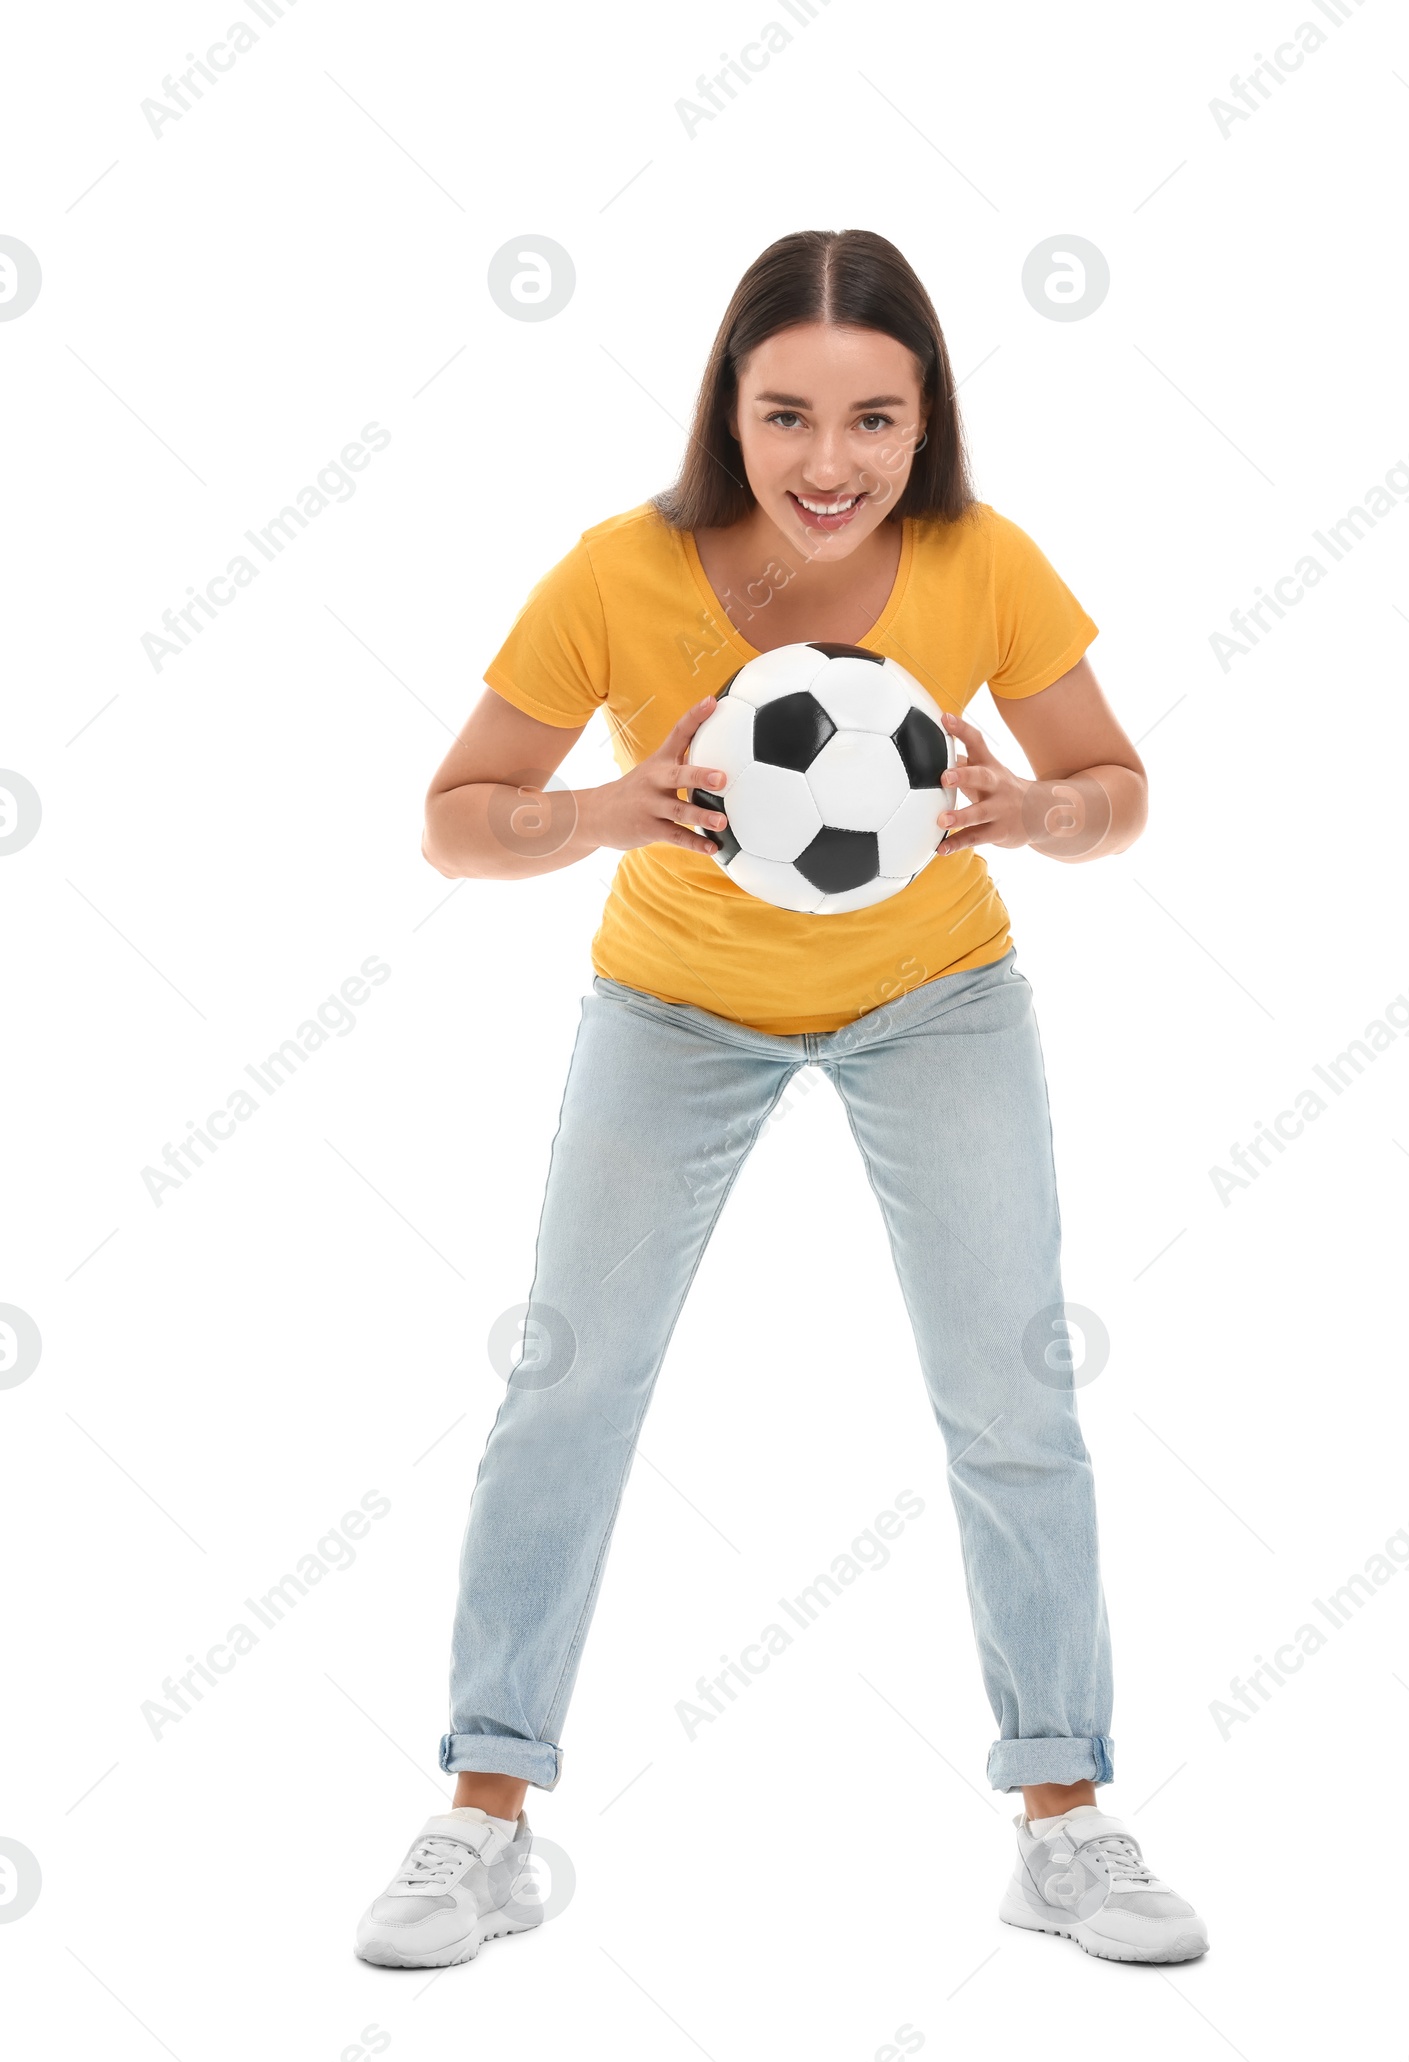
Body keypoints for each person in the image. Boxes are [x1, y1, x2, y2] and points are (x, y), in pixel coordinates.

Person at [355, 228, 1207, 1970]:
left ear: (925, 420)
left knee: (1010, 1390)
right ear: (728, 412)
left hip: (934, 996)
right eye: (789, 415)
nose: (832, 463)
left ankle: (1066, 1818)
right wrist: (610, 810)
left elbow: (1117, 787)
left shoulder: (982, 563)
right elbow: (456, 815)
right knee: (568, 1385)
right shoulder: (622, 570)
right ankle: (483, 1816)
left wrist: (1032, 814)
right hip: (677, 1005)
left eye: (876, 419)